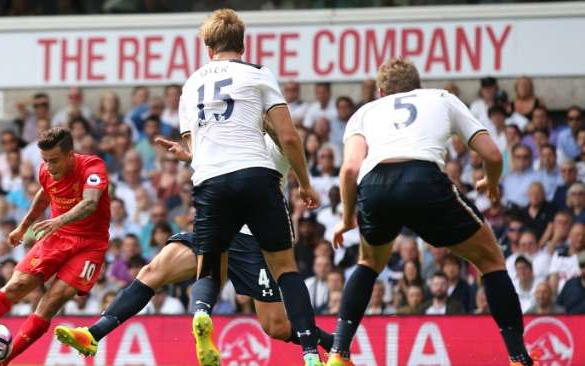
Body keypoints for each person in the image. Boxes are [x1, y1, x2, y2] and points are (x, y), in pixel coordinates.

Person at [329, 59, 535, 366]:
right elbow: (492, 154)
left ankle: (338, 354)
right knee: (491, 261)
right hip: (423, 180)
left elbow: (349, 170)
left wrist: (347, 220)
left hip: (375, 187)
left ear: (381, 91)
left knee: (369, 263)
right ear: (419, 86)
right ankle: (519, 358)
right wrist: (490, 182)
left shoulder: (365, 112)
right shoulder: (441, 98)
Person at [54, 136, 333, 360]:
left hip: (252, 240)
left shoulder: (273, 143)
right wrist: (192, 157)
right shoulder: (227, 134)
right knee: (154, 270)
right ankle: (93, 334)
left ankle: (333, 344)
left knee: (277, 327)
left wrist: (306, 185)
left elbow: (288, 147)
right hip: (217, 226)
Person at [171, 9, 322, 366]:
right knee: (285, 268)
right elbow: (287, 136)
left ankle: (202, 312)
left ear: (208, 48)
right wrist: (304, 183)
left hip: (210, 180)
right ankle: (311, 353)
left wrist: (184, 156)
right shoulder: (257, 73)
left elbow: (195, 149)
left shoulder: (191, 84)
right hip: (256, 175)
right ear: (243, 43)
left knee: (209, 264)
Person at [0, 127, 111, 366]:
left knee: (51, 300)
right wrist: (23, 226)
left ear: (70, 155)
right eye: (45, 160)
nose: (49, 167)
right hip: (57, 236)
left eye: (55, 160)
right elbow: (45, 194)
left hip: (89, 245)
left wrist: (58, 219)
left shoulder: (92, 167)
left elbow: (90, 204)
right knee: (17, 285)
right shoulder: (46, 170)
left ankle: (5, 361)